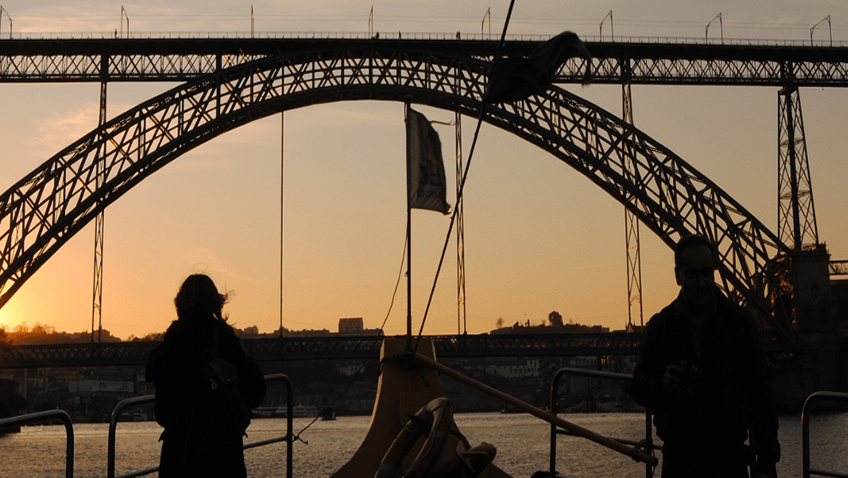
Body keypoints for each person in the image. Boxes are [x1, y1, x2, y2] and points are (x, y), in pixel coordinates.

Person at [631, 234, 780, 478]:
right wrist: (662, 383)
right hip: (680, 462)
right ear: (677, 275)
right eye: (692, 274)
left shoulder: (740, 323)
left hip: (728, 460)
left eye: (706, 273)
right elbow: (638, 385)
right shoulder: (661, 326)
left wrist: (766, 462)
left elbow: (761, 396)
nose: (701, 282)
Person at [146, 274, 266, 478]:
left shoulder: (167, 347)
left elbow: (162, 412)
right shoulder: (226, 341)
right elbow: (256, 394)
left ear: (179, 304)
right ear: (216, 303)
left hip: (178, 455)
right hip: (223, 455)